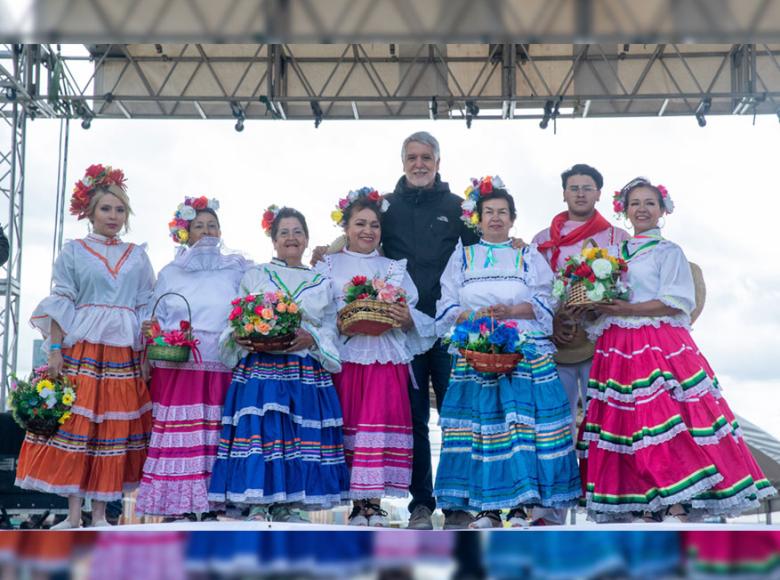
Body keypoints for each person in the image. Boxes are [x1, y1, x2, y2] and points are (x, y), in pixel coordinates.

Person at [578, 177, 776, 522]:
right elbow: (603, 301)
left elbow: (675, 302)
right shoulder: (611, 255)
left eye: (649, 203)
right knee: (624, 423)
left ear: (662, 211)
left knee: (664, 419)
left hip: (657, 343)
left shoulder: (669, 252)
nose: (641, 209)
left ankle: (676, 502)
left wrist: (626, 310)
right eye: (635, 203)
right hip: (618, 345)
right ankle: (641, 502)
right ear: (624, 210)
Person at [433, 176, 581, 528]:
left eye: (502, 212)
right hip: (476, 351)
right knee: (481, 429)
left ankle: (519, 508)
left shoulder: (526, 254)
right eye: (489, 212)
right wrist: (476, 317)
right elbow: (447, 302)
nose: (496, 218)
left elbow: (546, 299)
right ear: (477, 219)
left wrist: (511, 313)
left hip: (522, 351)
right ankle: (486, 509)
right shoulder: (463, 256)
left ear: (512, 218)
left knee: (520, 430)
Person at [16, 164, 154, 528]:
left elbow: (145, 307)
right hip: (84, 349)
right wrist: (55, 351)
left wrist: (146, 354)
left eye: (120, 209)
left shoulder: (137, 255)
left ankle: (99, 515)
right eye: (106, 208)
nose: (113, 216)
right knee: (77, 427)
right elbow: (62, 300)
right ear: (90, 212)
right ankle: (73, 515)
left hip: (123, 352)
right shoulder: (74, 251)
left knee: (112, 431)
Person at [208, 206, 349, 522]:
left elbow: (328, 325)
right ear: (273, 239)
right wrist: (242, 335)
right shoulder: (256, 275)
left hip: (303, 370)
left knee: (298, 437)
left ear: (307, 238)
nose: (291, 238)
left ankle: (289, 505)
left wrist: (311, 339)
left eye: (297, 232)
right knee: (265, 432)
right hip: (263, 369)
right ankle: (259, 504)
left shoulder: (319, 281)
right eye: (284, 232)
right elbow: (238, 315)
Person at [314, 188, 435, 527]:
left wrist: (403, 316)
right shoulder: (327, 264)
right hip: (348, 354)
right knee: (351, 423)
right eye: (360, 223)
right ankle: (357, 505)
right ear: (346, 228)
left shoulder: (393, 267)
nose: (368, 230)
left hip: (385, 356)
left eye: (374, 225)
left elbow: (408, 310)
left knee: (377, 425)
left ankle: (374, 504)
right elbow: (320, 312)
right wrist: (338, 324)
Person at [135, 197, 252, 521]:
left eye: (212, 225)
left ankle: (215, 505)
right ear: (185, 233)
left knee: (216, 435)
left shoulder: (237, 268)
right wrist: (152, 329)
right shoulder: (171, 272)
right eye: (199, 226)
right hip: (179, 363)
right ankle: (179, 506)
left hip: (221, 363)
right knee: (181, 434)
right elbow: (154, 314)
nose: (207, 232)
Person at [530, 163, 630, 525]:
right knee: (552, 426)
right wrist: (553, 319)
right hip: (556, 344)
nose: (581, 193)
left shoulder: (617, 237)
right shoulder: (543, 237)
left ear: (600, 193)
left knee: (608, 423)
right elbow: (536, 289)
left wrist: (597, 307)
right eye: (574, 187)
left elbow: (628, 287)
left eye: (588, 187)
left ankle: (613, 505)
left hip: (602, 341)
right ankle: (548, 511)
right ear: (564, 193)